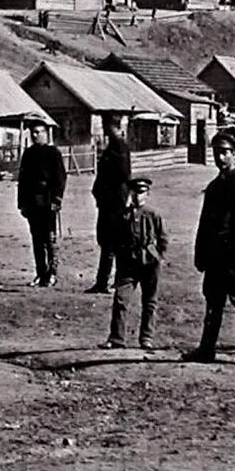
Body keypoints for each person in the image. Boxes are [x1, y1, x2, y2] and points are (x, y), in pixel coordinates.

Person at [183, 130, 235, 364]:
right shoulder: (214, 187)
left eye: (225, 153)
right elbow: (205, 223)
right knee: (213, 302)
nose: (221, 157)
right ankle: (206, 349)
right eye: (217, 153)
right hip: (215, 257)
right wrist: (201, 254)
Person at [103, 177, 167, 350]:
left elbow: (162, 239)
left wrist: (158, 257)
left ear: (147, 194)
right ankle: (117, 338)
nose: (138, 196)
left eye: (141, 192)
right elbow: (115, 239)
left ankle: (147, 337)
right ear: (130, 193)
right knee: (121, 300)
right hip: (127, 264)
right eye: (135, 192)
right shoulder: (123, 215)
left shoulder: (153, 214)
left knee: (150, 302)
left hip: (149, 262)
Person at [85, 112, 134, 293]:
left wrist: (105, 189)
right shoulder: (112, 146)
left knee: (115, 243)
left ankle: (116, 281)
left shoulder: (119, 147)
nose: (106, 130)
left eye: (109, 127)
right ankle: (102, 282)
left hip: (115, 203)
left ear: (117, 127)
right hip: (108, 203)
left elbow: (122, 175)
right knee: (106, 243)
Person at [15, 123, 67, 287]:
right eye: (33, 132)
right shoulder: (28, 153)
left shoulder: (53, 153)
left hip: (47, 200)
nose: (35, 135)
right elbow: (22, 180)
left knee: (49, 239)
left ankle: (52, 274)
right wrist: (21, 203)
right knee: (36, 239)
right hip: (32, 201)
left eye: (38, 132)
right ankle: (40, 273)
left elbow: (60, 179)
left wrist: (56, 200)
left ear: (46, 134)